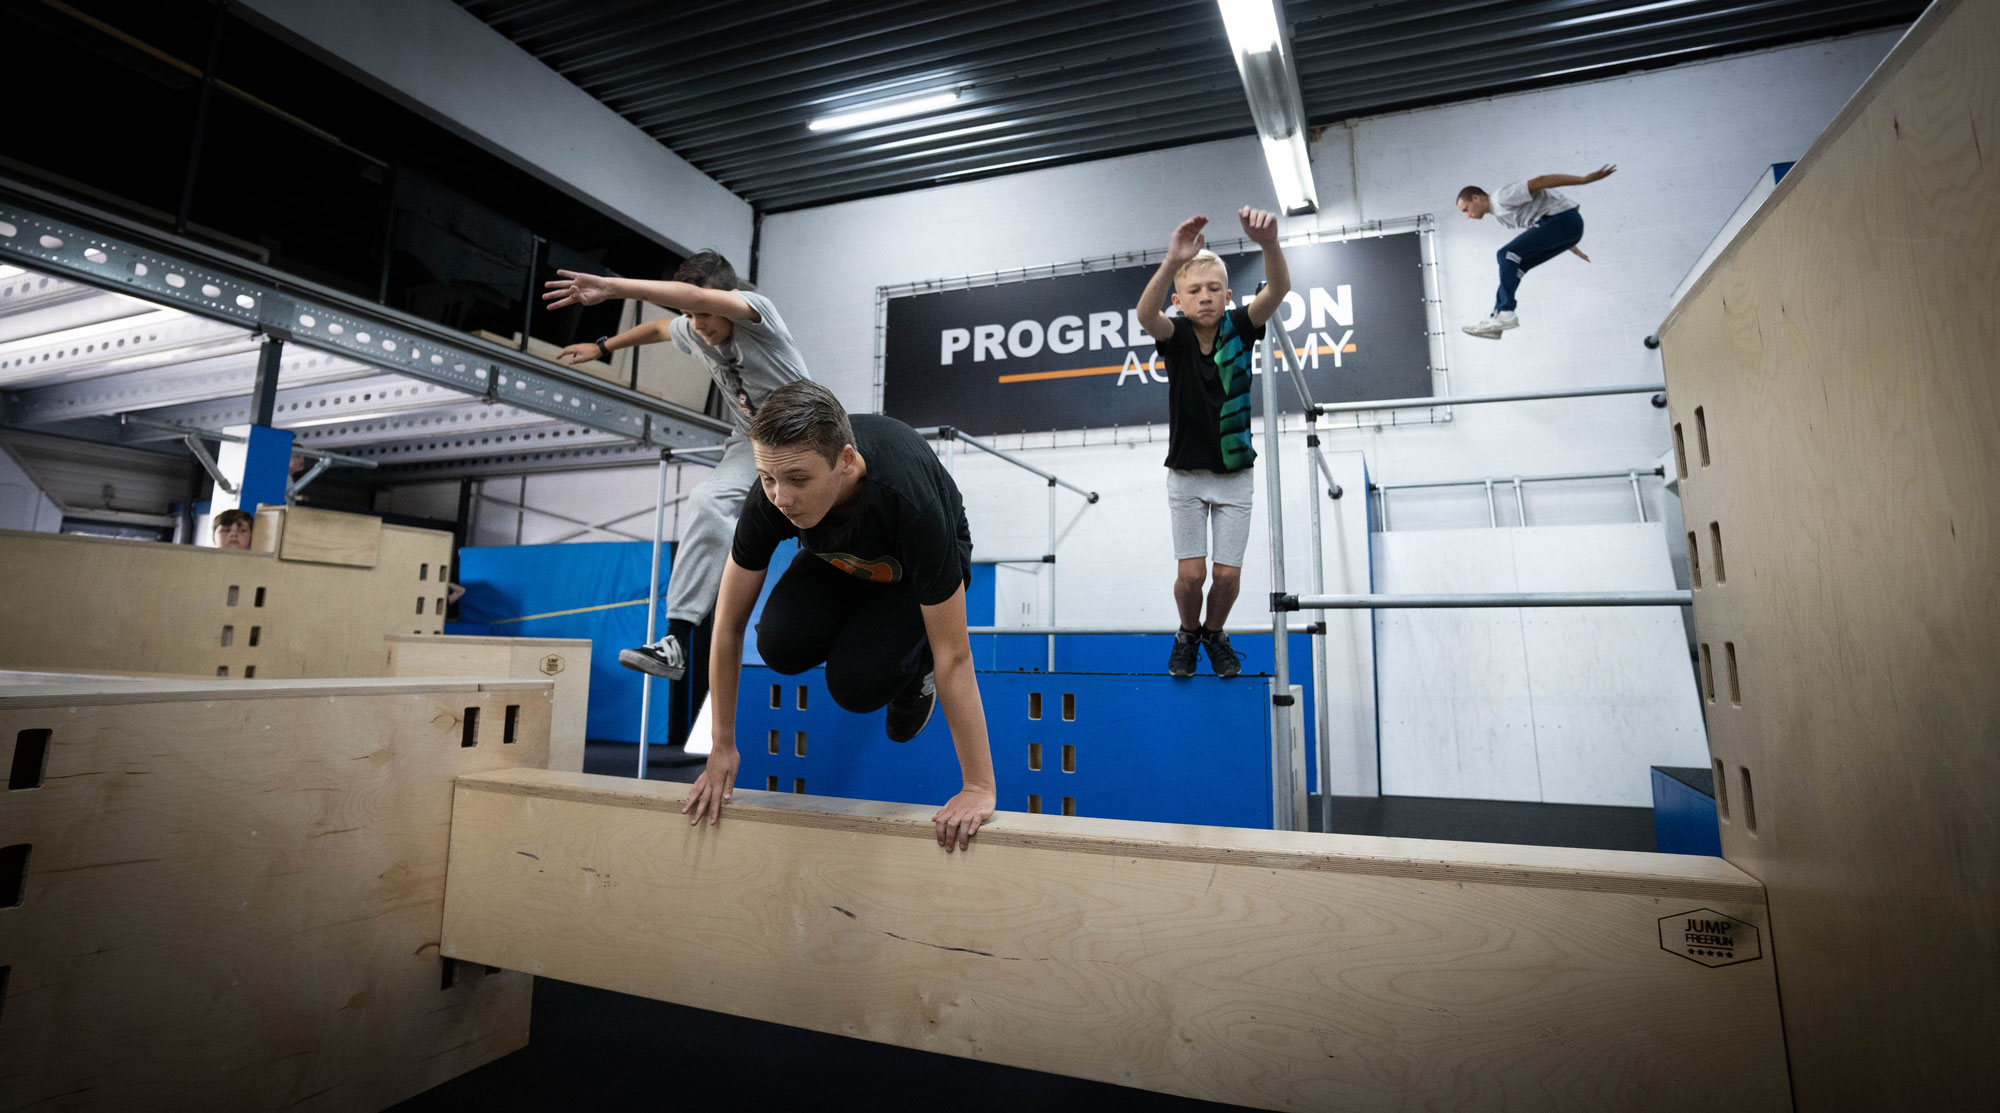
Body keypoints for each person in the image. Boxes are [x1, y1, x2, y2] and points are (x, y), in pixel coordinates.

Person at [678, 381, 996, 852]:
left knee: (857, 685)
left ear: (845, 461)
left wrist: (977, 787)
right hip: (842, 561)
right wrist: (720, 744)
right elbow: (727, 626)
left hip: (909, 570)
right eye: (767, 477)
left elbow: (956, 656)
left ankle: (914, 673)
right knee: (778, 645)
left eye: (797, 480)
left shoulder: (909, 501)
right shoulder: (772, 496)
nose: (781, 497)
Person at [542, 251, 810, 682]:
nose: (697, 323)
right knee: (706, 500)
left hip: (805, 431)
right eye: (690, 314)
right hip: (752, 442)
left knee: (819, 525)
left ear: (728, 297)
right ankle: (676, 640)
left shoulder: (758, 314)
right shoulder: (695, 328)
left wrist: (613, 288)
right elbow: (656, 328)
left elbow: (692, 297)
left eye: (704, 312)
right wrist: (602, 346)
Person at [1133, 207, 1290, 679]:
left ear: (1228, 294)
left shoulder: (1241, 328)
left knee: (1226, 576)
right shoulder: (1175, 335)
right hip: (1185, 474)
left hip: (1235, 474)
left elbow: (1278, 289)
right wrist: (1171, 260)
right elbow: (1145, 314)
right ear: (1179, 300)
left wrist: (1268, 245)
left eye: (1214, 289)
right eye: (1194, 291)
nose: (1205, 298)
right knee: (1192, 575)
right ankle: (1187, 632)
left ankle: (1214, 633)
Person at [1456, 164, 1616, 339]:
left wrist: (1583, 180)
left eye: (1466, 210)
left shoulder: (1501, 198)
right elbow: (1539, 224)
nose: (1468, 216)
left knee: (1505, 255)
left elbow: (1542, 181)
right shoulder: (1502, 218)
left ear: (1476, 198)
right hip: (1565, 229)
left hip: (1564, 221)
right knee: (1517, 266)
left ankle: (1506, 311)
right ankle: (1498, 317)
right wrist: (1568, 243)